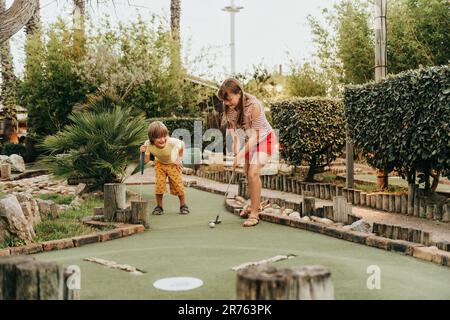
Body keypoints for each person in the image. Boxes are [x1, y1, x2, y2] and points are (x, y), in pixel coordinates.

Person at [218, 78, 278, 227]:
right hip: (248, 141)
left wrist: (240, 154)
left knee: (253, 172)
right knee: (247, 173)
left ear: (239, 93)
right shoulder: (229, 108)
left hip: (265, 139)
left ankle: (254, 214)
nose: (226, 103)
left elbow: (257, 135)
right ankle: (254, 205)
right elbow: (234, 130)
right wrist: (235, 151)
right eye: (224, 101)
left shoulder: (254, 106)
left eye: (229, 99)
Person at [139, 121, 190, 215]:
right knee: (159, 185)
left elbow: (182, 144)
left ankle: (183, 205)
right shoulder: (148, 144)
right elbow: (145, 161)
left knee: (178, 185)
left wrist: (179, 158)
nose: (162, 139)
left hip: (173, 163)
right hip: (159, 164)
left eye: (164, 136)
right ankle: (159, 207)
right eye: (158, 137)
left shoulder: (172, 142)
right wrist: (141, 152)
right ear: (152, 138)